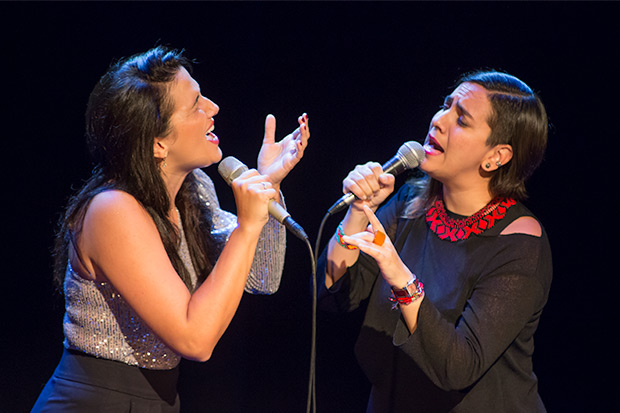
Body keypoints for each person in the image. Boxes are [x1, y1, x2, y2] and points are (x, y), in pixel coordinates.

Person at [33, 46, 309, 411]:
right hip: (98, 399)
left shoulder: (195, 190)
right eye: (196, 104)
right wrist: (245, 228)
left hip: (160, 398)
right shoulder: (111, 209)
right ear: (158, 143)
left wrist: (268, 186)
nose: (213, 108)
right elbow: (195, 339)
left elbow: (261, 277)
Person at [319, 70, 551, 412]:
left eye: (462, 119)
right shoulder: (410, 204)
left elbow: (458, 366)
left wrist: (402, 279)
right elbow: (332, 294)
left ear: (496, 157)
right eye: (446, 105)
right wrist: (359, 210)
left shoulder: (519, 243)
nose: (439, 121)